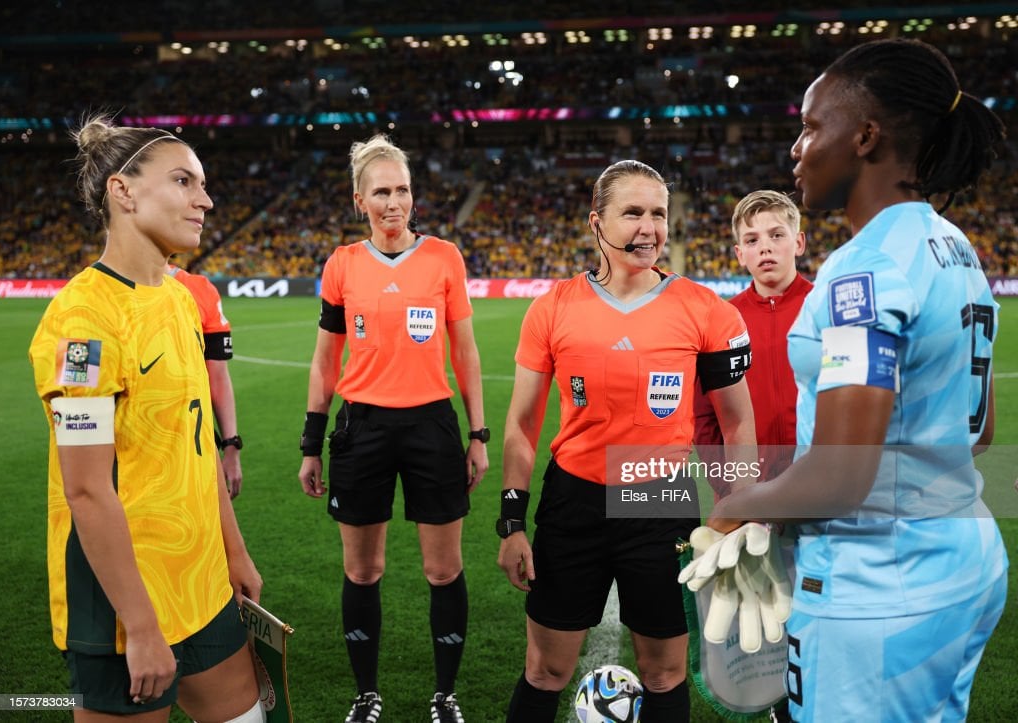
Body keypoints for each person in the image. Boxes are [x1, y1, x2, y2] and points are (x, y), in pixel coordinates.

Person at [707, 38, 1008, 722]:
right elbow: (978, 427)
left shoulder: (864, 269)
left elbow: (842, 475)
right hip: (962, 557)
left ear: (865, 136)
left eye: (812, 127)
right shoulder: (954, 247)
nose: (797, 148)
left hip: (879, 584)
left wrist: (737, 510)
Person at [497, 159, 756, 723]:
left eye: (659, 213)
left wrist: (736, 512)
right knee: (545, 670)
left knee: (664, 673)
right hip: (575, 499)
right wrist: (512, 523)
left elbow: (738, 424)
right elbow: (521, 426)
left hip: (659, 498)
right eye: (633, 212)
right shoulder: (553, 308)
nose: (649, 228)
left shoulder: (707, 310)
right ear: (597, 222)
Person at [28, 116, 264, 721]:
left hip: (202, 580)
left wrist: (233, 553)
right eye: (184, 181)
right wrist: (139, 627)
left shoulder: (180, 297)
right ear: (122, 190)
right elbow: (85, 488)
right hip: (121, 603)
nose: (205, 200)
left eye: (203, 184)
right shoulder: (83, 323)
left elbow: (197, 442)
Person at [297, 133, 488, 723]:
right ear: (360, 199)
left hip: (432, 424)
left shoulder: (444, 257)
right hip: (362, 429)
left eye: (402, 189)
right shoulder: (342, 265)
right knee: (362, 570)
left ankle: (444, 694)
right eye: (381, 191)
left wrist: (477, 434)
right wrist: (312, 443)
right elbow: (326, 360)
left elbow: (466, 352)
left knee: (443, 569)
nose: (393, 202)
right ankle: (366, 694)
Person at [694, 189, 813, 489]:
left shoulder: (824, 307)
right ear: (739, 253)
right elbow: (704, 414)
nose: (765, 248)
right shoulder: (721, 319)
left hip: (817, 488)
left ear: (798, 243)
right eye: (752, 240)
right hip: (746, 493)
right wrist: (727, 485)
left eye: (776, 235)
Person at [167, 263, 244, 498]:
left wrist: (231, 444)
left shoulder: (198, 288)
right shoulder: (96, 293)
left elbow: (218, 374)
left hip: (196, 444)